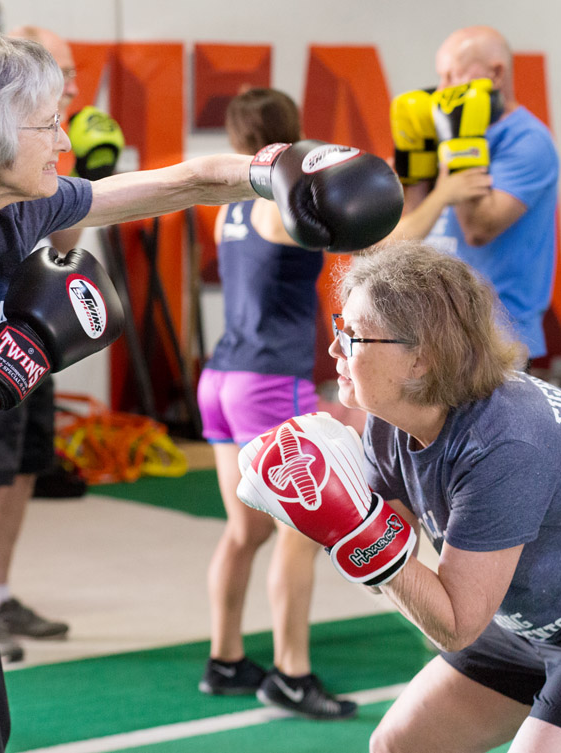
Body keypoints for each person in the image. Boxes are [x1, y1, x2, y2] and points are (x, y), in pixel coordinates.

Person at [0, 30, 401, 753]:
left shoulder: (7, 208)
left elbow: (181, 183)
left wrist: (274, 168)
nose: (64, 139)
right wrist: (10, 367)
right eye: (46, 124)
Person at [237, 241, 561, 753]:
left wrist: (354, 531)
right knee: (398, 746)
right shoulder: (388, 424)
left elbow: (453, 626)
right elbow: (394, 571)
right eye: (340, 328)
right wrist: (338, 524)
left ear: (421, 360)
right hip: (531, 619)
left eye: (354, 336)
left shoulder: (506, 443)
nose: (335, 350)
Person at [196, 88, 356, 720]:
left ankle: (226, 660)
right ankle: (292, 673)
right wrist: (442, 192)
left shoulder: (230, 208)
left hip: (221, 378)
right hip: (268, 382)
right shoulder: (281, 206)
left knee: (245, 531)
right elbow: (378, 232)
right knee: (301, 533)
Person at [0, 24, 95, 664]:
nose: (72, 85)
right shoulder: (0, 140)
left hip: (37, 325)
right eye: (61, 70)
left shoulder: (54, 140)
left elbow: (65, 241)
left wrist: (92, 175)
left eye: (72, 72)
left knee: (22, 468)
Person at [390, 25, 559, 361]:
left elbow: (479, 229)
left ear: (496, 73)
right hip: (436, 325)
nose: (441, 90)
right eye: (440, 77)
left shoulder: (528, 141)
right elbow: (410, 229)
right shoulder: (440, 130)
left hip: (496, 333)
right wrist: (413, 169)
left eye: (453, 76)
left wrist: (460, 143)